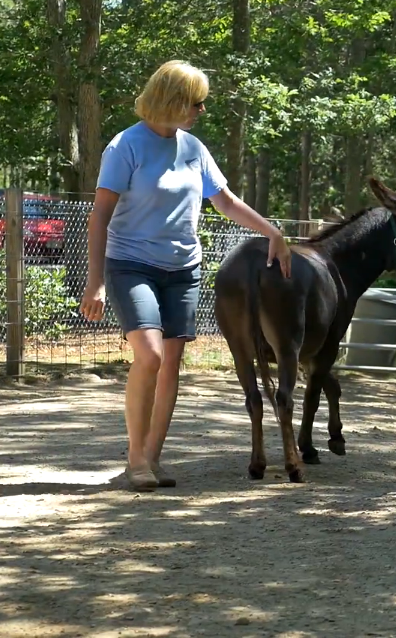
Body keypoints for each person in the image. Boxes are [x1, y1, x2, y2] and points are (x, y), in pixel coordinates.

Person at [79, 60, 293, 491]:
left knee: (172, 361)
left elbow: (226, 202)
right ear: (173, 100)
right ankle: (135, 457)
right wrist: (95, 280)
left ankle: (151, 459)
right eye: (196, 102)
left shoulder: (194, 148)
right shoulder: (125, 147)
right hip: (131, 264)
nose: (201, 110)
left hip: (183, 269)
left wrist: (273, 231)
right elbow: (99, 216)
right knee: (151, 355)